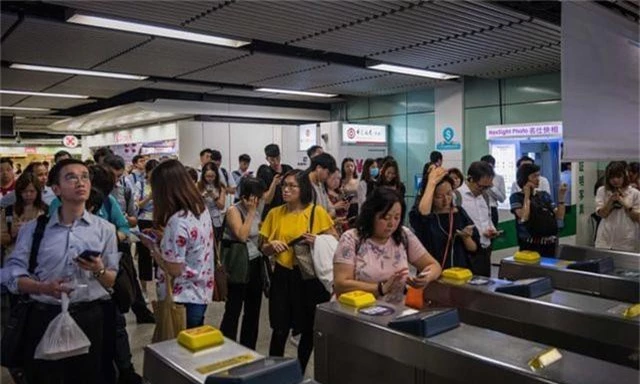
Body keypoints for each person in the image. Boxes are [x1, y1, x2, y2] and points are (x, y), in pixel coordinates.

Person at [6, 158, 119, 383]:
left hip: (90, 317)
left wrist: (98, 269)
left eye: (85, 176)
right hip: (44, 315)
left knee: (89, 377)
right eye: (71, 177)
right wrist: (43, 287)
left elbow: (111, 280)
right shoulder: (34, 230)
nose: (80, 182)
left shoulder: (105, 229)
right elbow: (11, 275)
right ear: (55, 189)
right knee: (45, 377)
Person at [259, 169, 337, 373]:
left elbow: (334, 241)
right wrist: (271, 245)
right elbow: (263, 247)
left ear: (303, 189)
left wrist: (317, 240)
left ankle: (299, 371)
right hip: (283, 276)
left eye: (292, 185)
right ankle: (274, 372)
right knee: (279, 327)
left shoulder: (316, 212)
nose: (286, 189)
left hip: (308, 277)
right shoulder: (275, 213)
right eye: (285, 185)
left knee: (309, 327)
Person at [138, 160, 214, 329]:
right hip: (200, 290)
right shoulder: (200, 209)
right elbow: (192, 245)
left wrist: (153, 248)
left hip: (181, 297)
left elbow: (174, 269)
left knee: (179, 350)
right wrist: (165, 238)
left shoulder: (177, 221)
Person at [334, 187, 442, 305]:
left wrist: (425, 277)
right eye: (386, 218)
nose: (392, 224)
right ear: (371, 215)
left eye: (397, 217)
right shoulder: (351, 239)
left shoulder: (403, 235)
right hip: (359, 311)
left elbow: (434, 265)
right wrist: (379, 288)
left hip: (396, 312)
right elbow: (341, 284)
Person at [219, 178, 266, 349]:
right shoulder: (234, 210)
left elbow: (259, 235)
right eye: (256, 197)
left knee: (253, 311)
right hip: (238, 265)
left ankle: (248, 348)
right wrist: (252, 212)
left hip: (255, 263)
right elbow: (242, 235)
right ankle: (228, 347)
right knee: (234, 309)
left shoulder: (258, 209)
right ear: (247, 196)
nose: (258, 200)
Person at [410, 167, 479, 269]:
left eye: (449, 194)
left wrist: (466, 237)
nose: (445, 200)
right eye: (438, 197)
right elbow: (423, 214)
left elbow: (474, 248)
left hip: (459, 271)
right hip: (432, 272)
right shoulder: (422, 216)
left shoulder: (459, 213)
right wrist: (431, 183)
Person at [510, 163, 567, 257]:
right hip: (530, 244)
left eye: (538, 175)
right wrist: (527, 196)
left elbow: (559, 216)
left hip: (549, 243)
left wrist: (561, 197)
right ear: (525, 178)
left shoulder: (543, 195)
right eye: (534, 176)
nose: (538, 179)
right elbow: (524, 216)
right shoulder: (516, 197)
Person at [457, 161, 498, 276]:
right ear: (470, 179)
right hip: (466, 253)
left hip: (485, 250)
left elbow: (487, 218)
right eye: (481, 186)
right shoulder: (457, 196)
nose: (484, 190)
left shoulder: (484, 196)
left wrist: (491, 229)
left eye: (488, 187)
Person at [595, 161, 640, 252]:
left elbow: (638, 218)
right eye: (612, 177)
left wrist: (624, 203)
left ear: (624, 176)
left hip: (626, 240)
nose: (615, 180)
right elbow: (602, 214)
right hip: (605, 239)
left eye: (618, 177)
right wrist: (610, 201)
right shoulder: (602, 191)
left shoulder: (635, 193)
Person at [1, 173, 47, 257]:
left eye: (32, 191)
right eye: (24, 191)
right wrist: (12, 234)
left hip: (39, 259)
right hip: (13, 258)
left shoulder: (46, 210)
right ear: (19, 192)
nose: (28, 194)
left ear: (38, 192)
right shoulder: (8, 211)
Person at [134, 159, 159, 298]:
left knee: (159, 255)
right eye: (151, 173)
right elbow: (137, 205)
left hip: (158, 221)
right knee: (144, 256)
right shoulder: (140, 184)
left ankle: (160, 286)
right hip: (144, 221)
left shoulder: (163, 186)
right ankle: (144, 290)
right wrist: (149, 197)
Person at [256, 144, 293, 220]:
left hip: (288, 213)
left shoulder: (288, 169)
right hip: (271, 215)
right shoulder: (264, 172)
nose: (276, 162)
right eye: (272, 160)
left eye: (278, 158)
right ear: (267, 159)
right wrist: (274, 183)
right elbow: (266, 200)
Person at [198, 162, 226, 242]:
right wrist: (202, 197)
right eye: (207, 176)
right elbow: (194, 204)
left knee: (215, 243)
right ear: (203, 175)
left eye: (212, 176)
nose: (210, 179)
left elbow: (221, 206)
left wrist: (215, 197)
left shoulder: (221, 187)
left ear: (216, 175)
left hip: (215, 219)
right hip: (201, 218)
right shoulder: (198, 186)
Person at [306, 152, 340, 217]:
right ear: (318, 168)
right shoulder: (305, 185)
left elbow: (331, 209)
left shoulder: (321, 184)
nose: (328, 177)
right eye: (328, 173)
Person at [480, 155, 506, 228]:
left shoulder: (499, 178)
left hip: (492, 207)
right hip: (479, 206)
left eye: (489, 166)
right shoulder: (478, 177)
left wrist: (492, 186)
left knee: (492, 233)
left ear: (493, 166)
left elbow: (502, 199)